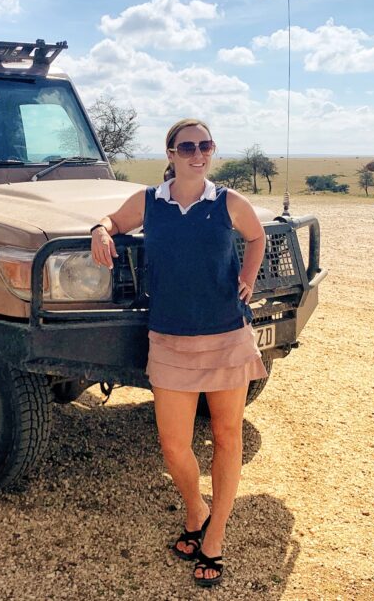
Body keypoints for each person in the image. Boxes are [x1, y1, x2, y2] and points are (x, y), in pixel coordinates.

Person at [90, 118, 267, 588]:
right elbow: (112, 220)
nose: (197, 153)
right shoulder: (150, 203)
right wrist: (100, 231)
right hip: (168, 338)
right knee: (173, 446)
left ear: (212, 151)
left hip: (226, 335)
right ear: (170, 153)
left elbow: (257, 236)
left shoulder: (227, 202)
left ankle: (215, 536)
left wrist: (248, 275)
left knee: (228, 438)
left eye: (204, 145)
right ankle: (196, 509)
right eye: (186, 146)